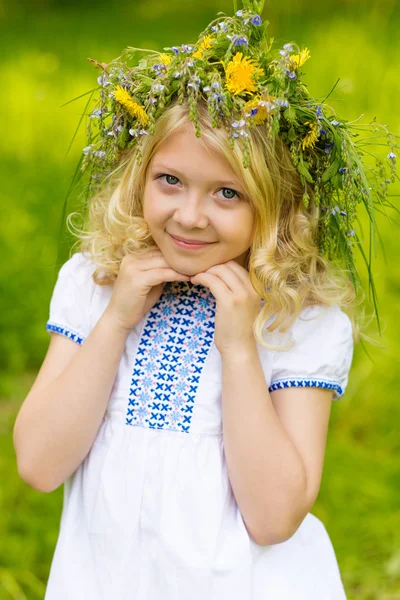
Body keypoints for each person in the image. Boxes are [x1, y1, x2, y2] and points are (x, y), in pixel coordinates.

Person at [13, 1, 397, 599]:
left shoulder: (302, 320)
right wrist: (116, 321)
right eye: (170, 181)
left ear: (278, 205)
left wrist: (240, 349)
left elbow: (273, 518)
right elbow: (37, 464)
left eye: (227, 193)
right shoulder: (95, 282)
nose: (189, 216)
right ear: (139, 176)